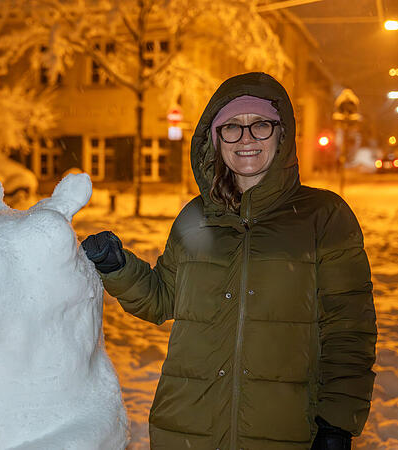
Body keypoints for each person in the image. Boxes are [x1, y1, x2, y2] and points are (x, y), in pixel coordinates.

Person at [82, 72, 376, 449]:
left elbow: (349, 332)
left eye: (261, 125)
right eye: (232, 127)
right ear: (215, 139)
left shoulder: (323, 216)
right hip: (187, 430)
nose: (247, 138)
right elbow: (163, 299)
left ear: (281, 134)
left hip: (284, 433)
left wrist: (336, 425)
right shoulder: (195, 216)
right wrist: (117, 266)